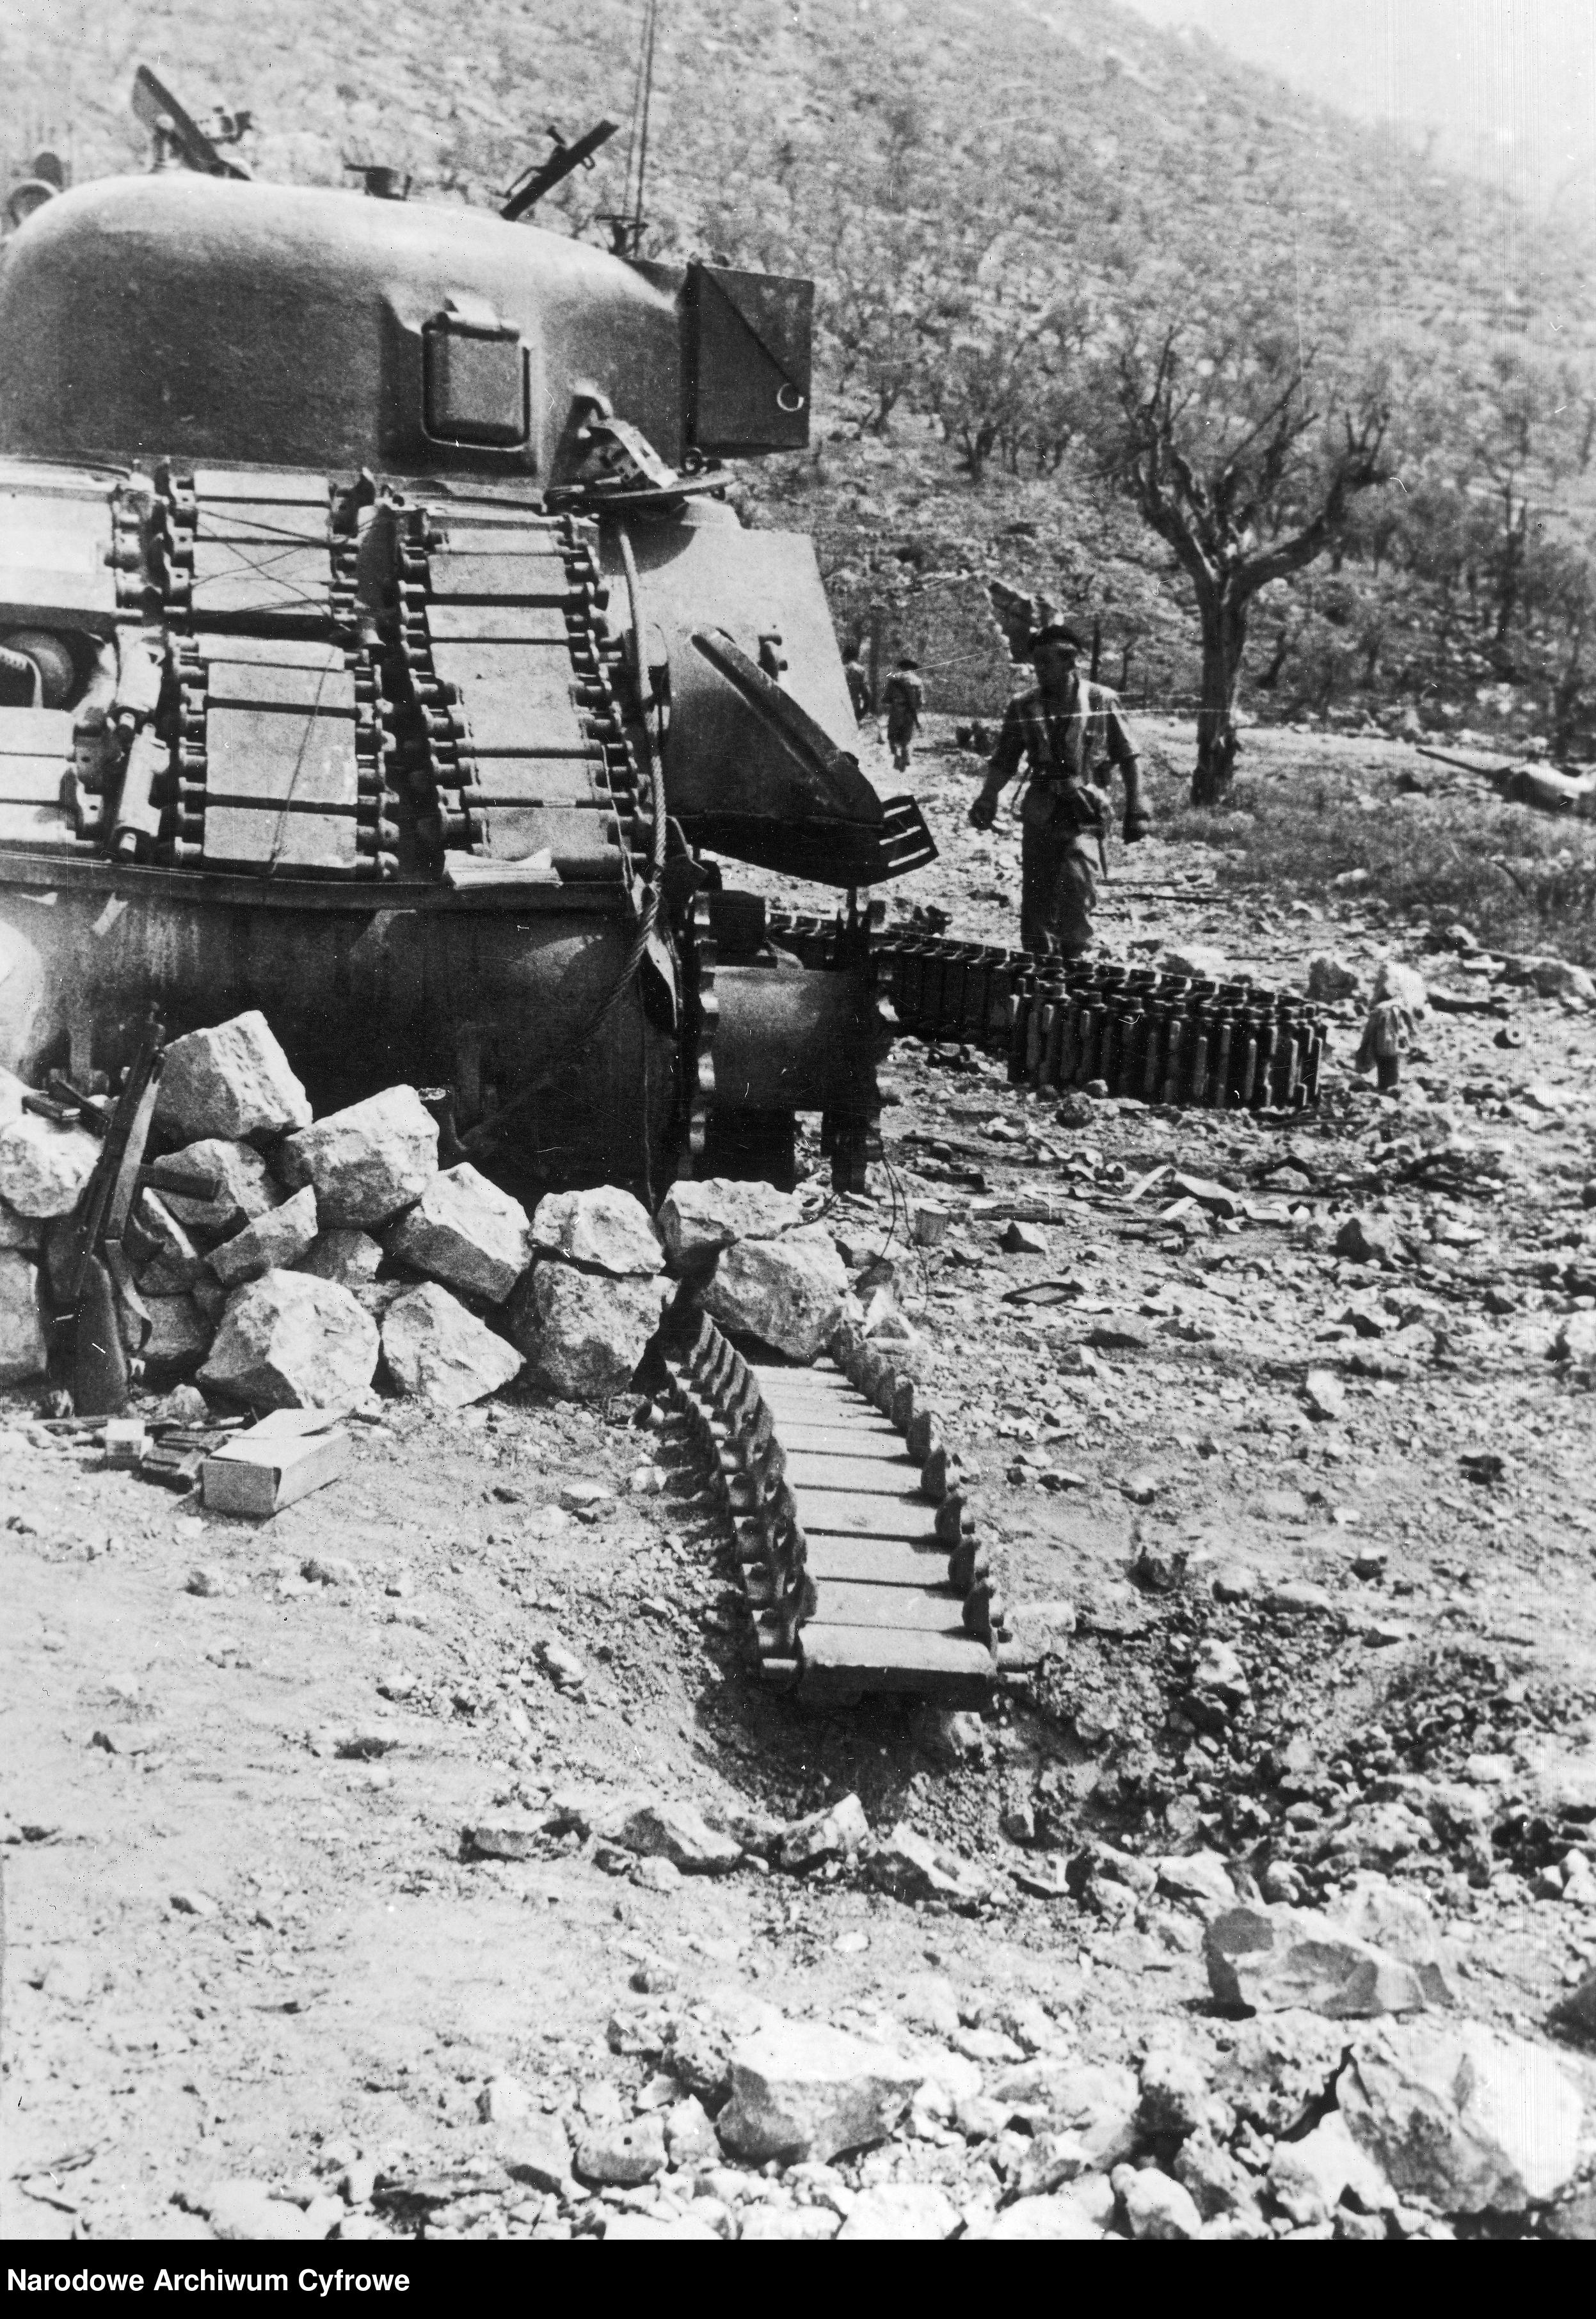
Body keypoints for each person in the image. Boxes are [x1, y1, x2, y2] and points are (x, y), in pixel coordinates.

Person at [968, 621, 1149, 957]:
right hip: (1041, 809)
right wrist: (987, 797)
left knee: (1077, 883)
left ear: (1070, 662)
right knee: (1037, 894)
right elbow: (1005, 760)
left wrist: (1136, 809)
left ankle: (1073, 959)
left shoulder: (1101, 700)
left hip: (1085, 810)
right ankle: (1037, 968)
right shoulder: (1023, 705)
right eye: (1036, 662)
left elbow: (1128, 756)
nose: (1039, 670)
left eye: (1047, 662)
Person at [881, 654, 923, 772]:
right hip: (910, 713)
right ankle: (905, 759)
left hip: (896, 712)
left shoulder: (894, 680)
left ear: (901, 667)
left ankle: (897, 757)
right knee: (906, 738)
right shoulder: (918, 681)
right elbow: (920, 702)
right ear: (912, 668)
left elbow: (886, 699)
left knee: (893, 738)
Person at [842, 646, 872, 722]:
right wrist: (863, 711)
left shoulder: (841, 670)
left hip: (841, 706)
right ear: (855, 657)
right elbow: (867, 693)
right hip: (855, 707)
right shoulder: (861, 670)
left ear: (844, 656)